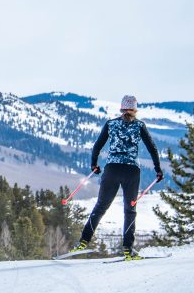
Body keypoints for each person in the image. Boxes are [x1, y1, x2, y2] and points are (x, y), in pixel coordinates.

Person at [68, 95, 163, 260]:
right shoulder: (140, 125)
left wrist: (94, 164)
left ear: (121, 109)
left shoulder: (111, 124)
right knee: (130, 210)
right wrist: (158, 169)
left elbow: (97, 145)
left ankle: (83, 242)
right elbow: (152, 148)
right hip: (132, 171)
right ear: (134, 110)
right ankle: (128, 249)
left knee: (100, 207)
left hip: (112, 169)